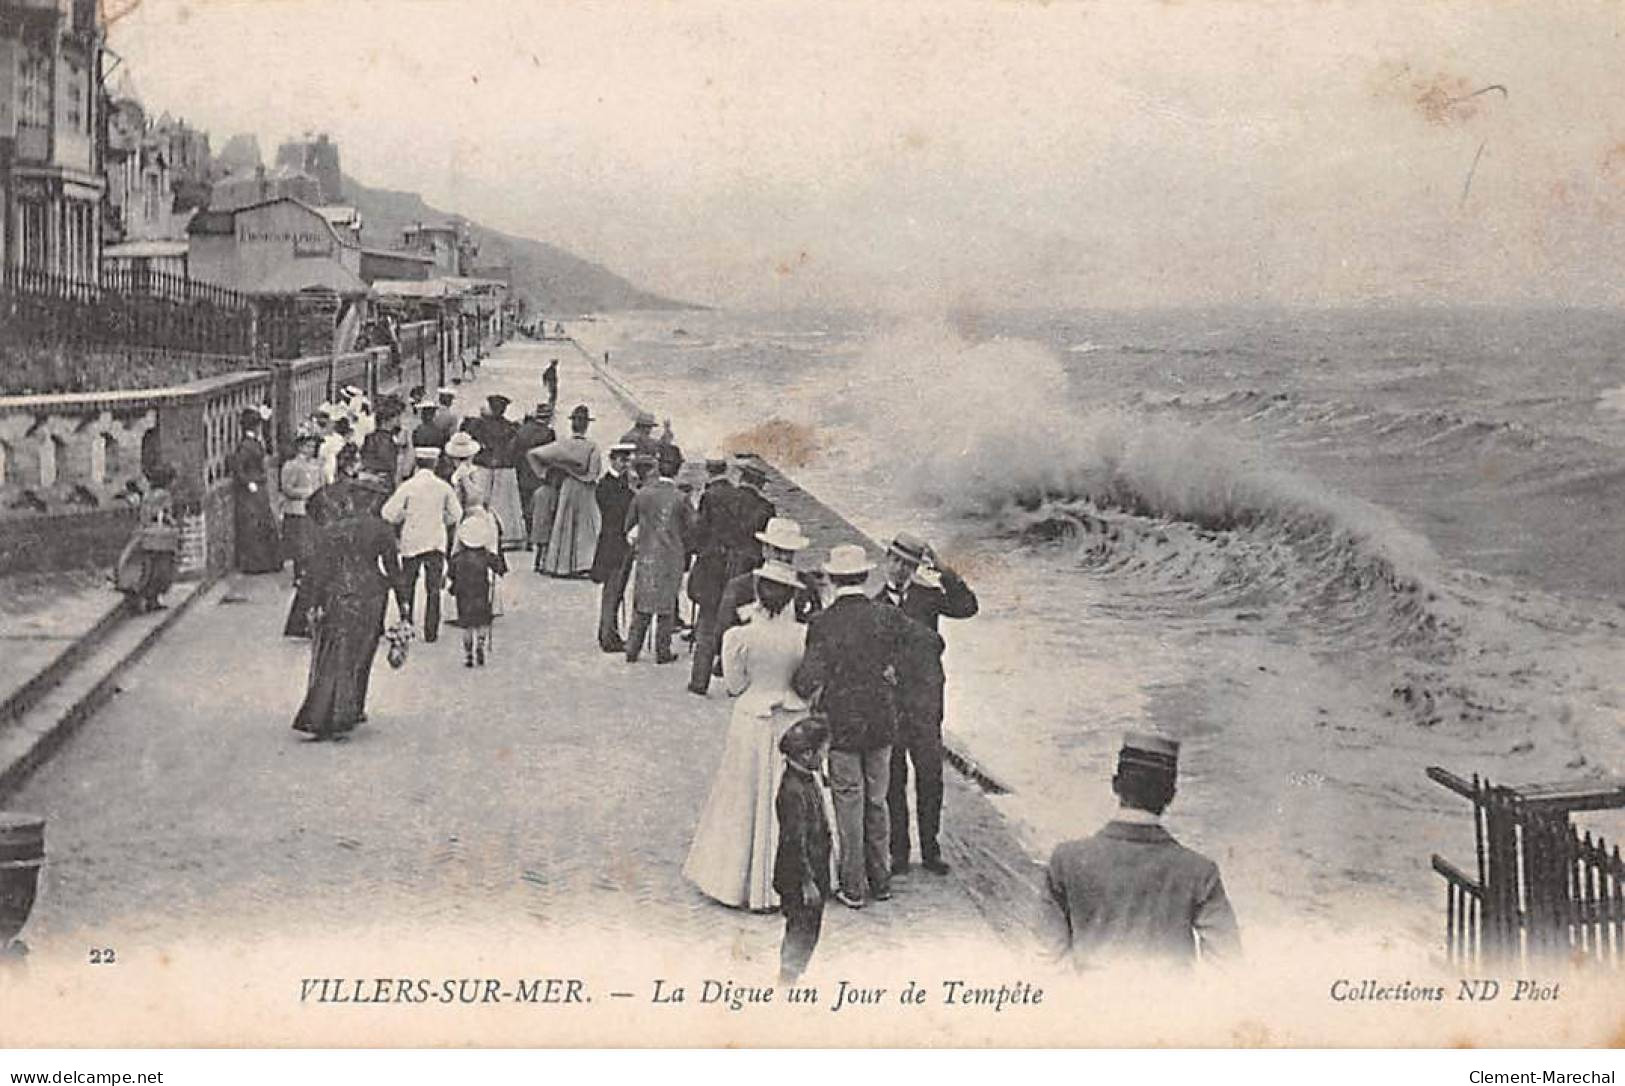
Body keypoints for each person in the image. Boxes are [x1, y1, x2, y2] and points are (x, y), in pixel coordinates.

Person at [791, 544, 940, 909]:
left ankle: (853, 886)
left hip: (842, 725)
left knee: (849, 803)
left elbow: (806, 680)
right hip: (882, 722)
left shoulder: (822, 623)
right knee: (878, 802)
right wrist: (893, 668)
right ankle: (881, 880)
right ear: (863, 576)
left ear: (834, 578)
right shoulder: (885, 616)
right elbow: (934, 642)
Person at [1043, 733, 1241, 970]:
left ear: (1115, 785)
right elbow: (1227, 964)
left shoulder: (1067, 860)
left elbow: (1046, 959)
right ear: (1170, 795)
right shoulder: (1200, 871)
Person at [681, 561, 810, 910]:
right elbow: (808, 682)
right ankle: (791, 879)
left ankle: (739, 878)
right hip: (790, 719)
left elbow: (736, 685)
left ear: (758, 592)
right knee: (790, 799)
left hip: (753, 717)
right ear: (791, 598)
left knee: (743, 795)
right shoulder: (802, 636)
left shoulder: (739, 637)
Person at [874, 532, 979, 877]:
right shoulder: (874, 605)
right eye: (898, 561)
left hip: (926, 704)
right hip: (891, 707)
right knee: (894, 780)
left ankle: (930, 850)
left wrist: (944, 569)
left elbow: (967, 607)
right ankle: (899, 853)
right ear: (887, 558)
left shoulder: (928, 597)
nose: (902, 570)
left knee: (930, 779)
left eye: (909, 565)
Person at [292, 475, 408, 741]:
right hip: (371, 596)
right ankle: (353, 707)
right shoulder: (381, 529)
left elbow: (320, 571)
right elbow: (393, 570)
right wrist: (403, 605)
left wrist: (313, 604)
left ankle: (327, 710)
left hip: (338, 595)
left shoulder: (333, 530)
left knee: (333, 653)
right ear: (374, 501)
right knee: (363, 653)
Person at [691, 517, 816, 695]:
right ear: (765, 550)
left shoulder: (806, 585)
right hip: (751, 675)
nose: (783, 558)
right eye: (778, 551)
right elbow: (723, 629)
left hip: (793, 677)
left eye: (788, 553)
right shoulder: (741, 586)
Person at [379, 447, 462, 643]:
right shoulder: (443, 487)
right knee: (433, 588)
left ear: (417, 463)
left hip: (412, 541)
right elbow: (456, 514)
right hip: (435, 541)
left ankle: (407, 623)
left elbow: (387, 513)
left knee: (408, 584)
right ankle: (431, 632)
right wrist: (443, 520)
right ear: (434, 464)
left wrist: (404, 516)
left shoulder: (408, 487)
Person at [774, 715, 834, 985]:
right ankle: (786, 984)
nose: (825, 756)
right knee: (801, 932)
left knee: (806, 932)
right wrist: (807, 882)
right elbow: (793, 841)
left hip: (812, 872)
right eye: (822, 751)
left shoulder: (805, 780)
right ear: (807, 753)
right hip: (800, 877)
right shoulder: (793, 791)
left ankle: (790, 979)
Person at [624, 446, 694, 663]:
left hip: (646, 554)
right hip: (671, 555)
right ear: (678, 469)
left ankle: (632, 649)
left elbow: (628, 525)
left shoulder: (642, 494)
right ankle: (662, 651)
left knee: (642, 603)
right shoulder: (681, 498)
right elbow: (692, 529)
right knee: (666, 606)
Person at [529, 404, 602, 578]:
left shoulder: (562, 445)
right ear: (586, 425)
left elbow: (534, 454)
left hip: (567, 487)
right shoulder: (592, 447)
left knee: (564, 523)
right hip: (585, 490)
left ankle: (560, 565)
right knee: (585, 526)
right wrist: (582, 476)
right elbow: (594, 473)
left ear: (572, 425)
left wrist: (546, 474)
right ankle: (583, 563)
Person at [685, 455, 737, 660]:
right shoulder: (734, 493)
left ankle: (704, 647)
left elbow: (701, 528)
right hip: (731, 557)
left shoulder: (709, 496)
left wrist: (694, 547)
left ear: (709, 470)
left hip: (712, 557)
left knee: (708, 604)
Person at [590, 442, 638, 652]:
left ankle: (611, 633)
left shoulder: (619, 483)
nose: (625, 464)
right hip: (614, 543)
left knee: (616, 592)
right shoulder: (608, 485)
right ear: (613, 459)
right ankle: (607, 636)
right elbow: (618, 513)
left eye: (627, 460)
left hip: (615, 542)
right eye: (622, 459)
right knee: (612, 591)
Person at [114, 463, 180, 613]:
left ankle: (142, 598)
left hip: (143, 534)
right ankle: (151, 600)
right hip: (158, 537)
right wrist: (172, 522)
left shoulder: (149, 494)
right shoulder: (163, 495)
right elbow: (162, 515)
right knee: (159, 570)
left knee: (144, 568)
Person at [279, 429, 326, 637]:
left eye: (313, 445)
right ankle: (300, 573)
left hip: (313, 510)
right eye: (307, 445)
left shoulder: (317, 467)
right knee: (299, 544)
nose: (311, 449)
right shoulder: (291, 466)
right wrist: (305, 493)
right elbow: (286, 488)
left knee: (311, 543)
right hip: (297, 509)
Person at [463, 394, 525, 551]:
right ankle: (507, 537)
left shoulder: (479, 425)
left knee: (480, 500)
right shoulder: (510, 427)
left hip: (484, 466)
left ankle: (478, 532)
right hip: (503, 469)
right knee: (503, 502)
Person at [449, 513, 505, 668]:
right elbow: (499, 568)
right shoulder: (486, 556)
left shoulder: (457, 558)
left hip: (463, 594)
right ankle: (481, 643)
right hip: (481, 591)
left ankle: (468, 654)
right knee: (482, 622)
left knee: (467, 625)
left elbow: (450, 574)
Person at [229, 408, 281, 574]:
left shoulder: (254, 443)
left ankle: (266, 562)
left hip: (259, 489)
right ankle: (255, 563)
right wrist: (248, 482)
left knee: (262, 524)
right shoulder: (245, 446)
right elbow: (238, 468)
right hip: (252, 491)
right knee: (254, 526)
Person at [509, 402, 557, 547]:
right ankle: (538, 537)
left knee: (525, 504)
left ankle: (529, 535)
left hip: (523, 473)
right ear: (548, 418)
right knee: (539, 506)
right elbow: (552, 456)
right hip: (541, 475)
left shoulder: (523, 430)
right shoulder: (548, 433)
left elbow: (513, 451)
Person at [727, 463, 776, 577]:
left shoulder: (726, 498)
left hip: (723, 556)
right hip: (751, 559)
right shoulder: (766, 507)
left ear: (742, 478)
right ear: (760, 485)